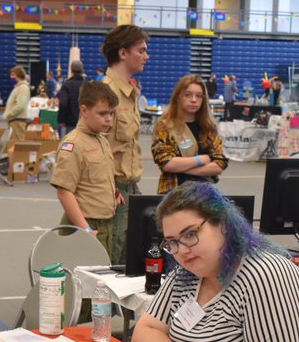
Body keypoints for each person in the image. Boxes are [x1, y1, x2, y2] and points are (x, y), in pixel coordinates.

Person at [133, 182, 299, 342]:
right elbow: (145, 331)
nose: (182, 250)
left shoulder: (266, 275)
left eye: (190, 234)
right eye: (172, 242)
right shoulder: (187, 272)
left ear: (223, 225)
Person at [50, 81, 121, 261]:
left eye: (112, 113)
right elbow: (64, 191)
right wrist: (85, 229)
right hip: (85, 225)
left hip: (105, 224)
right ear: (84, 110)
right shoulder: (73, 145)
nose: (109, 119)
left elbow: (97, 176)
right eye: (102, 113)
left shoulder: (102, 140)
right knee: (83, 282)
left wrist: (113, 192)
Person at [101, 24, 150, 265]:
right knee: (113, 259)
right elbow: (95, 148)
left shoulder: (129, 92)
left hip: (129, 188)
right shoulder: (105, 93)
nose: (146, 56)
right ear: (123, 53)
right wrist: (109, 189)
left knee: (127, 256)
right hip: (112, 190)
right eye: (140, 50)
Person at [151, 74, 228, 194]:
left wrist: (182, 167)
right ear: (178, 97)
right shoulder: (165, 127)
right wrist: (200, 159)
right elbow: (167, 163)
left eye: (199, 96)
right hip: (173, 194)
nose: (194, 100)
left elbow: (219, 166)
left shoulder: (209, 128)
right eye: (188, 95)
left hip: (205, 195)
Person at [57, 59, 86, 136]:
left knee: (69, 146)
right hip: (85, 123)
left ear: (71, 70)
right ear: (82, 70)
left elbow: (63, 104)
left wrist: (61, 120)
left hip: (70, 123)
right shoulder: (87, 85)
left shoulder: (66, 85)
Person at [4, 65, 31, 141]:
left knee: (17, 145)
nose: (11, 77)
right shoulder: (18, 87)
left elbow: (21, 105)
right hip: (14, 120)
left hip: (17, 120)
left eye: (13, 75)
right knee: (13, 144)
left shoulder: (23, 88)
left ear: (19, 75)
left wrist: (9, 114)